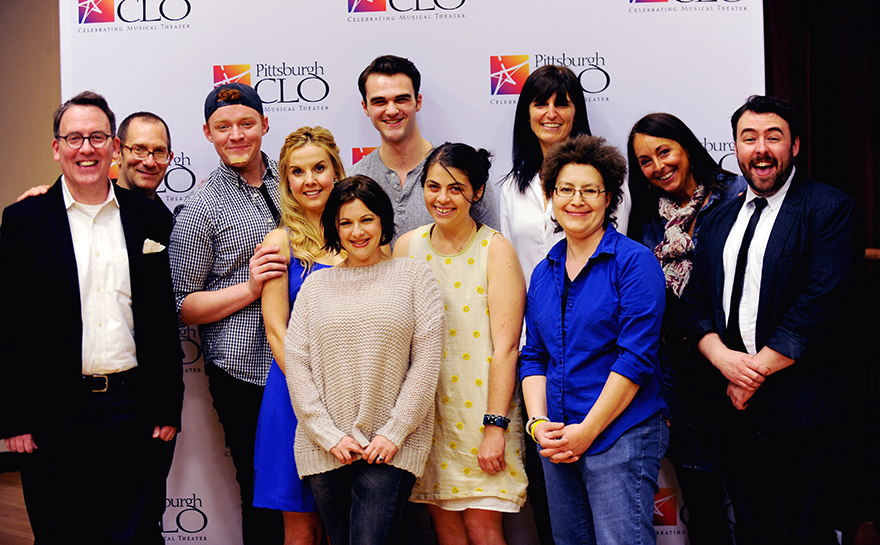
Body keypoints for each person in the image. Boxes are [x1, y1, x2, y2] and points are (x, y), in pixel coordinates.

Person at [0, 91, 183, 543]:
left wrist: (166, 402)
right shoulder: (24, 220)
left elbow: (161, 319)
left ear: (114, 148)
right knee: (60, 533)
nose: (86, 148)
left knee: (137, 533)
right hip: (52, 409)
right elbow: (9, 324)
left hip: (131, 405)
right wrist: (13, 418)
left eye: (98, 137)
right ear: (56, 147)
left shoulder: (149, 218)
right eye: (74, 138)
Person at [681, 95, 855, 544]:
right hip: (734, 408)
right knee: (753, 528)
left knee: (806, 532)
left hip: (803, 408)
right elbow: (696, 302)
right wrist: (724, 361)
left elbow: (821, 302)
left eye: (773, 137)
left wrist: (751, 373)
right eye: (749, 138)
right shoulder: (717, 219)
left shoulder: (828, 208)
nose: (761, 149)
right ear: (735, 148)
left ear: (794, 146)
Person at [520, 134, 668, 545]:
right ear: (551, 197)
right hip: (558, 438)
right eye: (565, 190)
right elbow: (533, 356)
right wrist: (538, 423)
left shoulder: (635, 262)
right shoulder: (544, 272)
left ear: (609, 200)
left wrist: (588, 430)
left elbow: (635, 359)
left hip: (621, 433)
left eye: (590, 190)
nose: (577, 200)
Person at [285, 175, 446, 545]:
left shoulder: (413, 276)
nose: (357, 231)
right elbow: (296, 363)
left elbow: (425, 363)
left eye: (366, 219)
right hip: (326, 450)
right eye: (345, 222)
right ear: (333, 228)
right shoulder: (315, 287)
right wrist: (327, 435)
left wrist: (394, 431)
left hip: (389, 448)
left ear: (383, 222)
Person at [394, 143, 528, 545]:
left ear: (478, 191)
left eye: (455, 188)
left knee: (484, 530)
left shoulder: (496, 249)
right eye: (433, 187)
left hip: (486, 413)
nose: (442, 198)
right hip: (427, 418)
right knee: (447, 533)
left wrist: (495, 426)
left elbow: (506, 347)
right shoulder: (406, 247)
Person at [169, 82, 286, 544]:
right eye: (223, 127)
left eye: (245, 123)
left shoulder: (300, 179)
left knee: (320, 490)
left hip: (315, 361)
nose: (236, 135)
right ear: (207, 133)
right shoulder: (200, 208)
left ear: (264, 124)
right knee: (262, 493)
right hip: (246, 372)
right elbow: (184, 305)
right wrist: (252, 287)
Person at [626, 112, 746, 545]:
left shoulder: (736, 193)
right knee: (702, 495)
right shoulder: (645, 218)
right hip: (676, 369)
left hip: (736, 360)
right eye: (644, 161)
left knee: (755, 494)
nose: (657, 166)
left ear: (686, 147)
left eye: (664, 151)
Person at [254, 126, 346, 545]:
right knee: (302, 527)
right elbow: (276, 329)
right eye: (298, 171)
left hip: (353, 395)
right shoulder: (280, 242)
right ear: (286, 181)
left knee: (345, 523)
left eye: (319, 168)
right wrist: (313, 395)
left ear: (336, 171)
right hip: (293, 397)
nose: (310, 180)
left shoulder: (361, 236)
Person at [350, 54, 498, 245]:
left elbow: (492, 249)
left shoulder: (463, 172)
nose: (392, 110)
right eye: (380, 102)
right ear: (365, 107)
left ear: (418, 102)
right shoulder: (354, 178)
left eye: (401, 99)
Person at [499, 64, 592, 286]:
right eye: (540, 104)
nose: (551, 113)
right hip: (532, 318)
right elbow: (510, 270)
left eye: (561, 104)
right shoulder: (512, 187)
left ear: (576, 113)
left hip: (591, 316)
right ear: (527, 114)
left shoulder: (603, 179)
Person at [16, 111, 175, 214]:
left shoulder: (167, 221)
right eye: (138, 149)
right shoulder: (74, 208)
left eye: (159, 152)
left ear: (170, 158)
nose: (149, 161)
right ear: (117, 152)